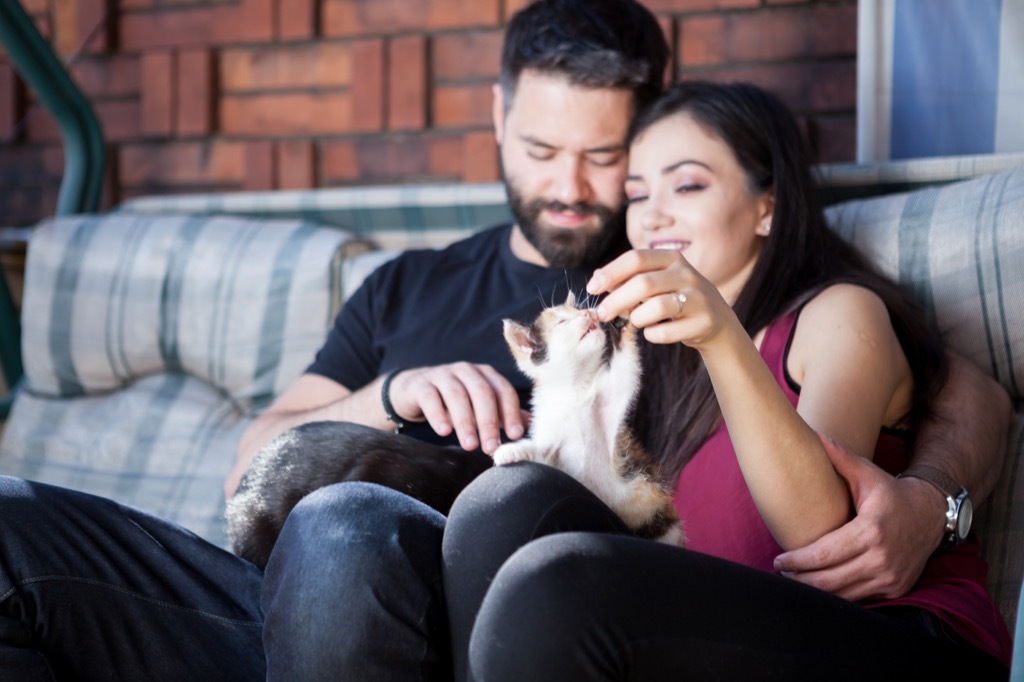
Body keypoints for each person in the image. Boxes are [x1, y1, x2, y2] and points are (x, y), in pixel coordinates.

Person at [0, 1, 1008, 680]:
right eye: (538, 149)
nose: (573, 186)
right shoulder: (408, 283)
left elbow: (948, 376)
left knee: (359, 519)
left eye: (607, 157)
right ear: (494, 115)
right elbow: (250, 460)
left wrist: (935, 499)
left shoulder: (656, 282)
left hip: (457, 605)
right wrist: (392, 393)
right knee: (17, 530)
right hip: (279, 606)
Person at [438, 80, 1013, 680]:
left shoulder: (838, 314)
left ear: (767, 206)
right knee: (498, 508)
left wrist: (721, 335)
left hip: (896, 639)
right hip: (730, 642)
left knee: (553, 588)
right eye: (637, 195)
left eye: (687, 185)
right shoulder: (651, 364)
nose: (654, 213)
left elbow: (814, 533)